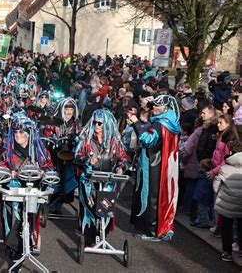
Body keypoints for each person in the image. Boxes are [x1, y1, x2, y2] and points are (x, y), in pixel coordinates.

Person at [0, 116, 53, 263]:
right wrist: (9, 173)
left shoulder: (39, 152)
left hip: (32, 192)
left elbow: (49, 168)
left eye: (21, 133)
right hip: (13, 192)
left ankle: (28, 244)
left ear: (29, 133)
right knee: (13, 218)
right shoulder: (7, 152)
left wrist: (42, 173)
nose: (18, 135)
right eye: (15, 132)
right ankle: (14, 252)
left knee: (29, 219)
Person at [128, 95, 181, 241]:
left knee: (151, 196)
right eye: (153, 106)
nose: (154, 109)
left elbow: (148, 140)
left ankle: (151, 229)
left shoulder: (161, 124)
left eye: (157, 106)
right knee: (158, 196)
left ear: (167, 108)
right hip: (164, 166)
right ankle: (154, 227)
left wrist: (136, 123)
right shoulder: (171, 122)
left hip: (154, 167)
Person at [75, 109, 127, 246]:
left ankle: (102, 235)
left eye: (100, 123)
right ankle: (88, 238)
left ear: (107, 124)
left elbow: (122, 158)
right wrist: (87, 159)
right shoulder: (86, 139)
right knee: (90, 209)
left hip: (108, 181)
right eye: (95, 123)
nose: (96, 126)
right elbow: (76, 157)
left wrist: (120, 166)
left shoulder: (114, 141)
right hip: (88, 181)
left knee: (105, 208)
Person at [213, 140, 242, 262]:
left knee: (226, 229)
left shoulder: (224, 168)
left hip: (226, 204)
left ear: (230, 152)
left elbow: (216, 187)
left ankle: (227, 253)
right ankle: (241, 250)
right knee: (241, 228)